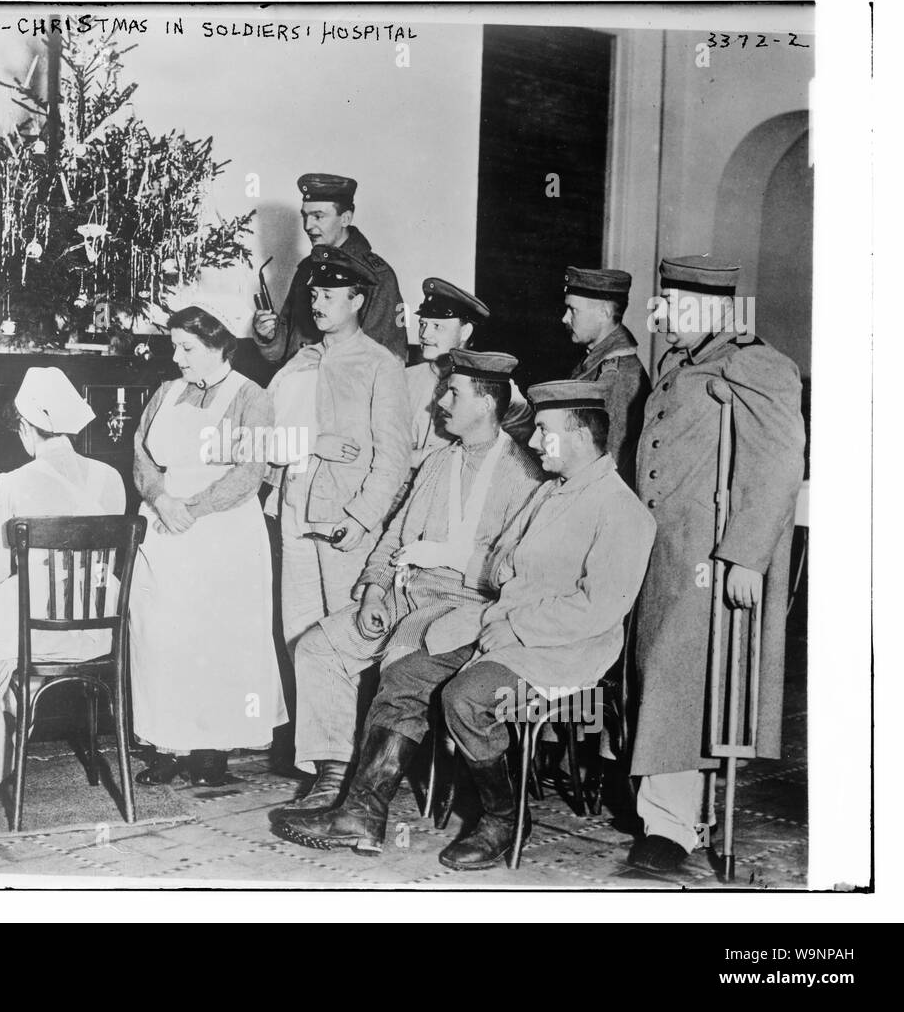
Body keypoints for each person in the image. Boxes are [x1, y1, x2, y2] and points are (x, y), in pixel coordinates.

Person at [278, 380, 655, 866]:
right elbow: (501, 561)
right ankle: (361, 812)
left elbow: (600, 609)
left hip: (563, 651)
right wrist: (499, 594)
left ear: (580, 436)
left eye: (544, 431)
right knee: (405, 674)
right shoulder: (552, 493)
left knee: (466, 698)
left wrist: (517, 622)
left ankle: (502, 818)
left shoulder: (621, 510)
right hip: (501, 626)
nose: (535, 442)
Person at [273, 350, 544, 826]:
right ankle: (333, 778)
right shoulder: (440, 461)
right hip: (402, 595)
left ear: (484, 404)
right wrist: (375, 589)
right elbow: (395, 536)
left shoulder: (523, 474)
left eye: (453, 393)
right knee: (317, 648)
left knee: (401, 668)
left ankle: (364, 805)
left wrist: (445, 560)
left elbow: (515, 572)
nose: (440, 401)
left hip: (461, 611)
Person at [627, 256, 805, 874]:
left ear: (708, 307)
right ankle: (672, 815)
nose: (659, 318)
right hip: (663, 548)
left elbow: (779, 463)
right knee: (662, 677)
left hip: (709, 554)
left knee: (686, 682)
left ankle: (669, 828)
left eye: (669, 307)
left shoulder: (753, 362)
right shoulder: (682, 362)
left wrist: (746, 556)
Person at [0, 368, 126, 809]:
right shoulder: (110, 477)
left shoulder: (13, 483)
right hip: (100, 630)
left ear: (25, 425)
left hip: (38, 631)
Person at [129, 305, 288, 786]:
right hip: (162, 526)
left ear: (219, 346)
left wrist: (190, 509)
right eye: (174, 346)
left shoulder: (250, 396)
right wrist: (160, 498)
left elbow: (249, 473)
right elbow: (140, 454)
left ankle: (210, 750)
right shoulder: (165, 392)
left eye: (187, 348)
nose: (177, 357)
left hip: (221, 531)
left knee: (215, 640)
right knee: (159, 636)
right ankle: (165, 744)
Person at [264, 246, 410, 652]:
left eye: (329, 296)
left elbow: (393, 459)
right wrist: (312, 443)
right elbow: (263, 439)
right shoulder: (299, 363)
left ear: (357, 300)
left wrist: (362, 519)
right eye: (313, 296)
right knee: (298, 637)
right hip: (294, 514)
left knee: (346, 640)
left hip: (343, 522)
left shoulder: (381, 365)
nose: (317, 305)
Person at [252, 173, 406, 366]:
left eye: (318, 216)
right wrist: (267, 335)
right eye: (305, 216)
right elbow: (281, 350)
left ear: (345, 218)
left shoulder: (377, 277)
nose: (308, 226)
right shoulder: (306, 269)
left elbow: (387, 362)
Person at [406, 278, 533, 476]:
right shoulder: (405, 378)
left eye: (437, 326)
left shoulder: (493, 385)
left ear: (465, 331)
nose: (424, 334)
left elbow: (523, 446)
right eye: (423, 324)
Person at [558, 266, 650, 486]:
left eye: (573, 310)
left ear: (605, 313)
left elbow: (610, 463)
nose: (564, 318)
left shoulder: (617, 376)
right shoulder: (594, 362)